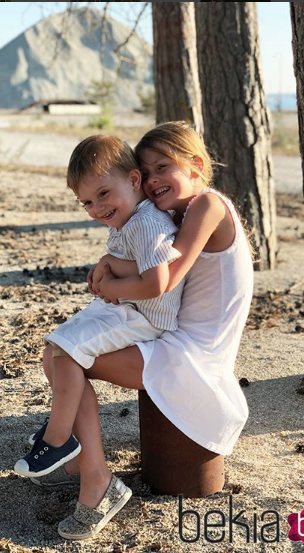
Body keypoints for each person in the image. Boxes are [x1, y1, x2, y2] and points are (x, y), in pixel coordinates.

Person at [29, 121, 254, 540]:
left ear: (196, 164)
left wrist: (111, 280)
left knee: (68, 356)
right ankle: (86, 468)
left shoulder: (208, 207)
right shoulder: (175, 214)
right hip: (172, 338)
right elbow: (153, 264)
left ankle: (92, 479)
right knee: (59, 353)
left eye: (162, 167)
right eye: (146, 172)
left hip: (192, 355)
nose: (152, 181)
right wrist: (109, 264)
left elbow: (166, 277)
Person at [14, 135, 184, 482]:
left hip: (147, 317)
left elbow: (156, 284)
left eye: (104, 194)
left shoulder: (148, 225)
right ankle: (64, 430)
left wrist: (111, 287)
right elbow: (133, 266)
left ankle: (58, 438)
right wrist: (109, 265)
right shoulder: (131, 220)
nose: (96, 208)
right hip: (129, 307)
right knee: (56, 345)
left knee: (67, 350)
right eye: (87, 202)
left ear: (134, 180)